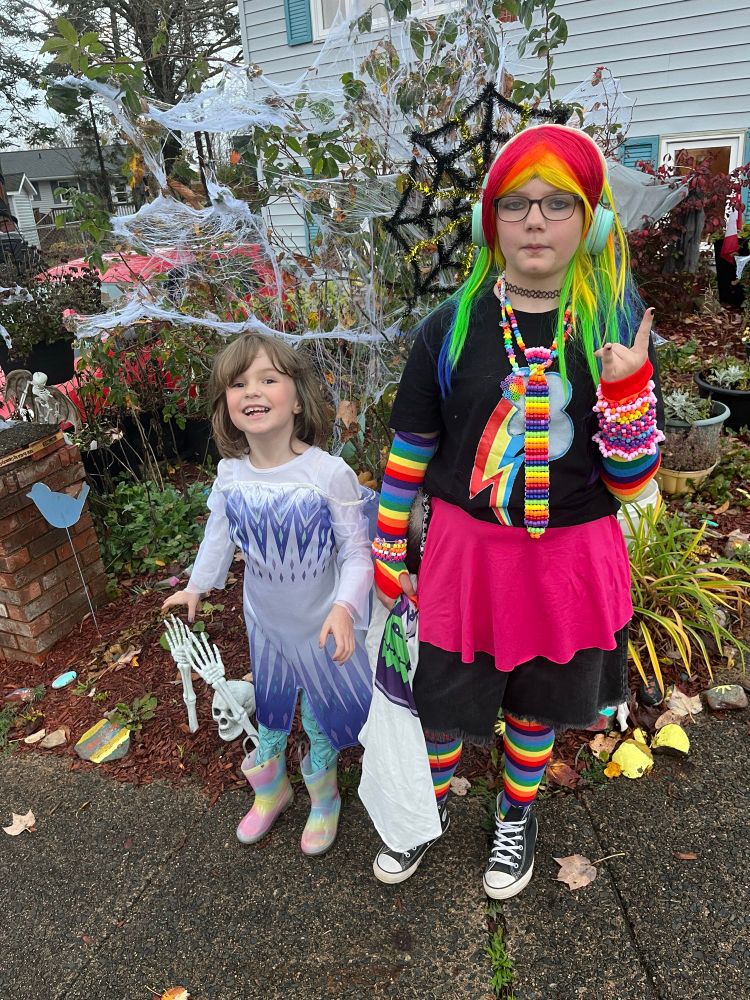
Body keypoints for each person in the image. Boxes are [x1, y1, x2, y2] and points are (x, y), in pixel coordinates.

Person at [368, 124, 664, 897]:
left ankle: (514, 813)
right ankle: (422, 806)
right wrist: (388, 548)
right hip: (466, 561)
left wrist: (627, 389)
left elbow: (632, 482)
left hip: (571, 561)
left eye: (557, 204)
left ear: (591, 222)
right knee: (441, 704)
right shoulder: (449, 328)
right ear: (488, 221)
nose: (535, 220)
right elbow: (410, 450)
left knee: (538, 707)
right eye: (515, 204)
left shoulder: (613, 328)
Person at [162, 333, 374, 856]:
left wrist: (345, 608)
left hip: (321, 623)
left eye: (268, 379)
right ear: (226, 404)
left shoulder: (328, 473)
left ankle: (324, 797)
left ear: (297, 398)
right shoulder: (231, 476)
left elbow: (357, 553)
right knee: (273, 711)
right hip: (266, 623)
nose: (252, 391)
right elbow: (218, 536)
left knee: (320, 716)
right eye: (238, 384)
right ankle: (272, 790)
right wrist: (196, 586)